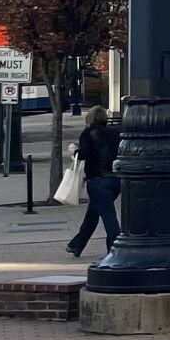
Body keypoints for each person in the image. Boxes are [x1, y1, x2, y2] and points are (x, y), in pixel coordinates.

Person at [66, 105, 122, 259]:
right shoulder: (115, 133)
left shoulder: (88, 134)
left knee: (109, 217)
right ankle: (77, 244)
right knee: (93, 213)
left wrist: (74, 151)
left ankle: (116, 251)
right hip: (116, 180)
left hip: (98, 180)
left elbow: (84, 154)